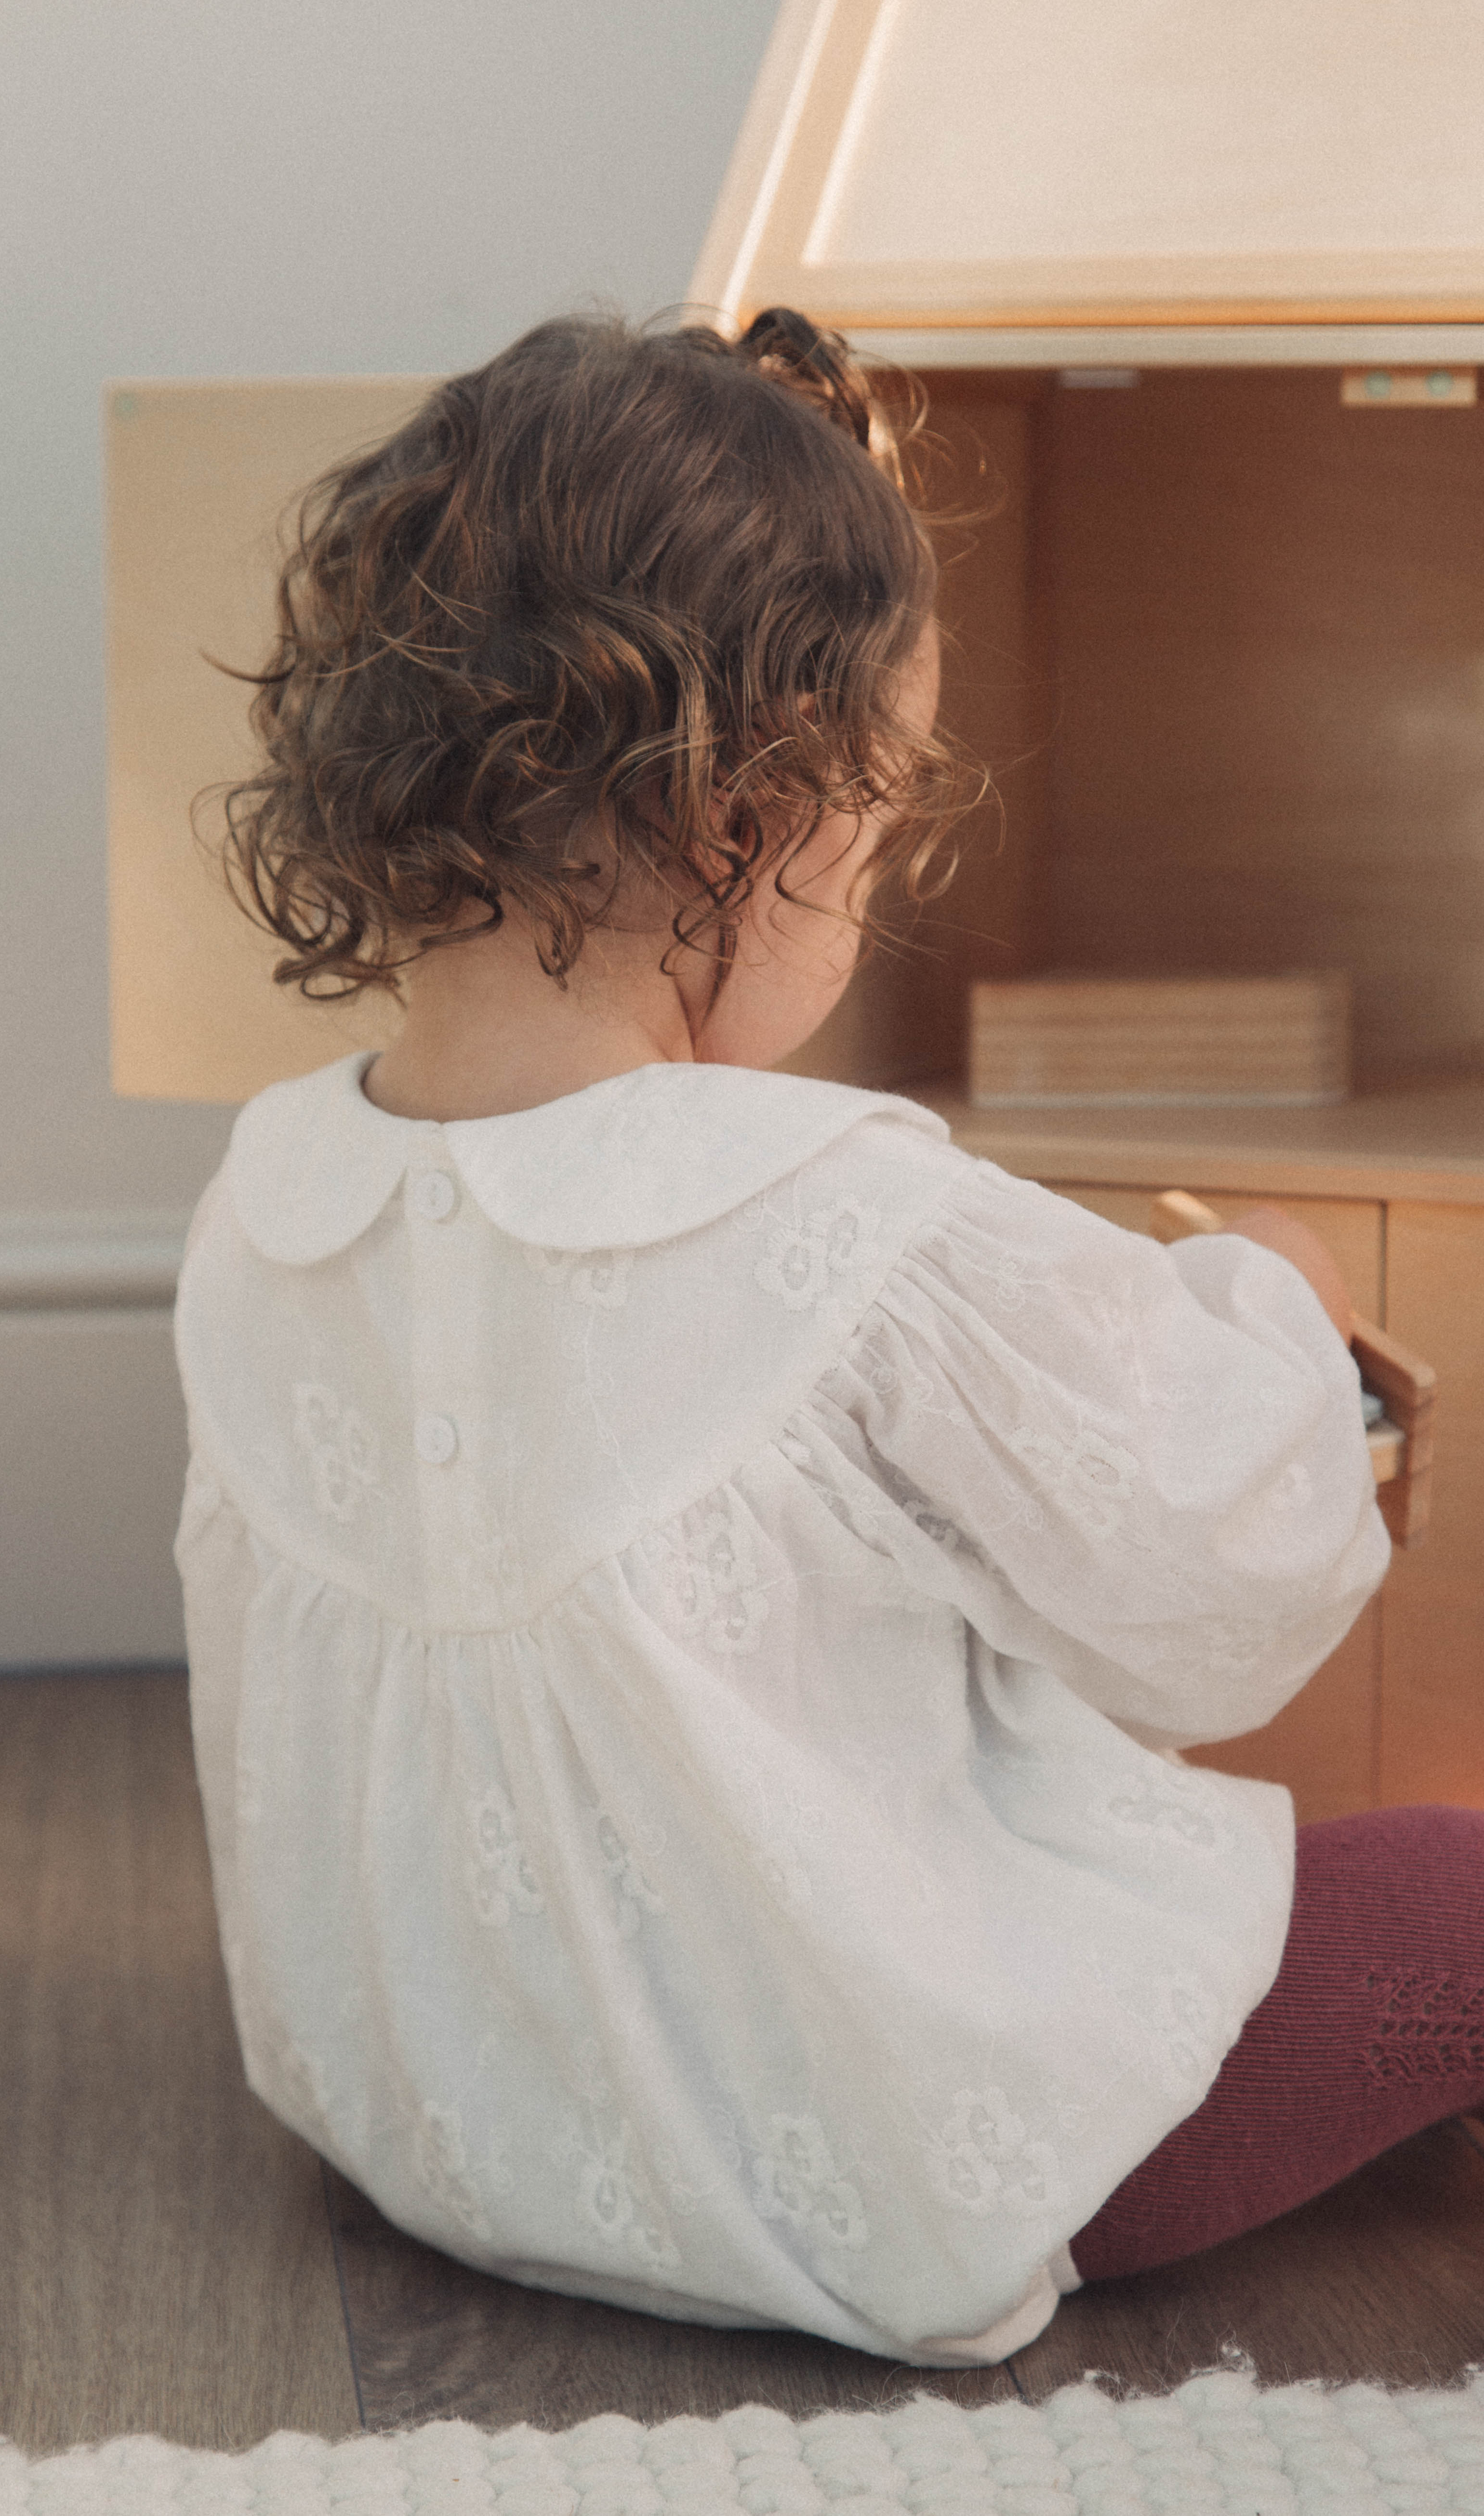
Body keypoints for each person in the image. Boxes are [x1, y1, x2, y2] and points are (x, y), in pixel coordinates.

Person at [170, 308, 1476, 2370]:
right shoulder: (848, 1215)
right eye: (871, 841)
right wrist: (1285, 1311)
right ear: (751, 817)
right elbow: (1203, 1592)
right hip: (872, 2156)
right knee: (1463, 1895)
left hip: (434, 2118)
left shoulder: (263, 1204)